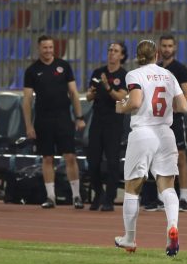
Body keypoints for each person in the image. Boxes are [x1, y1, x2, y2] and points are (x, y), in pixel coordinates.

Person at [113, 40, 187, 256]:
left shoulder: (134, 75)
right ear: (156, 55)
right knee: (167, 187)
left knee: (132, 187)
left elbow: (135, 102)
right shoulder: (169, 75)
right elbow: (183, 106)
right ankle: (172, 226)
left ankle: (129, 238)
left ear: (138, 56)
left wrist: (122, 107)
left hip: (143, 133)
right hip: (165, 133)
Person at [21, 35, 86, 209]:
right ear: (39, 49)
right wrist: (29, 125)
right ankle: (50, 197)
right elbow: (27, 100)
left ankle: (77, 196)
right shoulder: (32, 70)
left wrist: (79, 117)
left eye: (51, 47)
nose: (48, 50)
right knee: (47, 158)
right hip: (43, 120)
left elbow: (74, 93)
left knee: (70, 156)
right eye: (45, 48)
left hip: (63, 118)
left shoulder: (64, 66)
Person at [85, 42, 129, 211]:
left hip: (114, 121)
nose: (111, 53)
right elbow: (89, 96)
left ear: (122, 56)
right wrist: (91, 93)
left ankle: (109, 198)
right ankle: (98, 193)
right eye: (110, 50)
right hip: (97, 120)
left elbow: (122, 98)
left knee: (112, 161)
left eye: (115, 51)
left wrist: (108, 87)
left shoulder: (124, 75)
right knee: (93, 160)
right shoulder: (98, 72)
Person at [158, 34, 187, 209]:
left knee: (180, 156)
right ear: (159, 47)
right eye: (164, 45)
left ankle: (184, 197)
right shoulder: (155, 69)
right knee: (159, 156)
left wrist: (171, 107)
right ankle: (161, 196)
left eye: (169, 46)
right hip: (158, 120)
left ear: (175, 48)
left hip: (175, 119)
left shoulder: (180, 69)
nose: (166, 49)